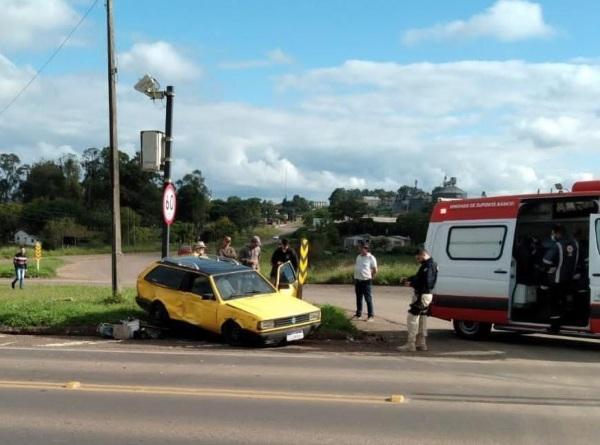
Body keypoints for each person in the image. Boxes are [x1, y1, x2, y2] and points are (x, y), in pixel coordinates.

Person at [398, 249, 438, 352]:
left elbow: (427, 282)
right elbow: (419, 277)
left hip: (422, 295)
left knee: (412, 318)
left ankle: (411, 344)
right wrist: (409, 279)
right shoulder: (430, 264)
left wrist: (411, 284)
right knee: (422, 319)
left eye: (418, 258)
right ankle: (421, 344)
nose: (418, 260)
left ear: (423, 255)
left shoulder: (428, 266)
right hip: (426, 295)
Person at [542, 224, 578, 332]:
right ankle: (565, 321)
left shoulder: (557, 245)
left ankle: (554, 327)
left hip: (556, 279)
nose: (552, 235)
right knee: (563, 301)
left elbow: (546, 260)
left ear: (558, 233)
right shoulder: (574, 243)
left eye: (553, 233)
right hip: (569, 279)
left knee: (554, 303)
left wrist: (549, 268)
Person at [353, 241, 378, 321]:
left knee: (368, 299)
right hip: (358, 280)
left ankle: (370, 316)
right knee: (358, 298)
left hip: (366, 281)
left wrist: (371, 277)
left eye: (361, 247)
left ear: (366, 249)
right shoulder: (358, 257)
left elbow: (375, 270)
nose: (359, 249)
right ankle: (358, 314)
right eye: (359, 247)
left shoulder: (371, 257)